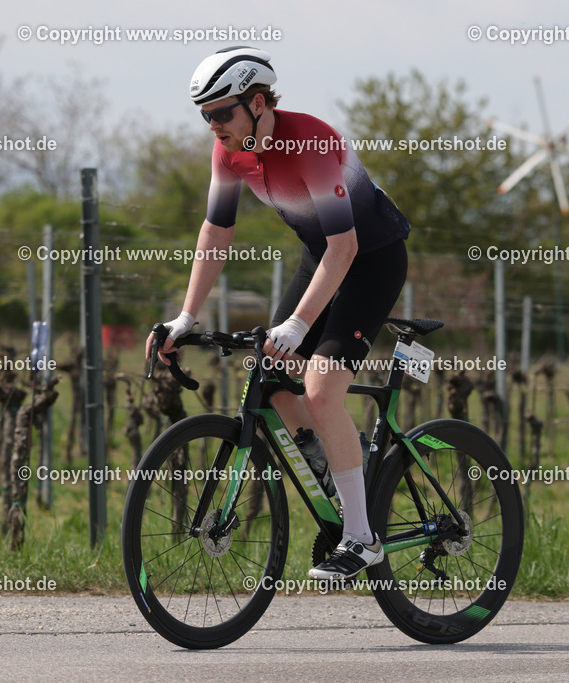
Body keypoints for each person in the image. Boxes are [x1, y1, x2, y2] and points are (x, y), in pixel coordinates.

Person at [146, 46, 409, 580]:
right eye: (204, 114)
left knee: (320, 388)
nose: (212, 125)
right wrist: (186, 317)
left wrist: (297, 325)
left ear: (259, 102)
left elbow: (346, 248)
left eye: (222, 112)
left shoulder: (308, 143)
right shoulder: (228, 152)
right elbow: (217, 232)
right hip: (323, 257)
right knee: (272, 379)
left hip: (370, 259)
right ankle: (340, 467)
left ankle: (362, 539)